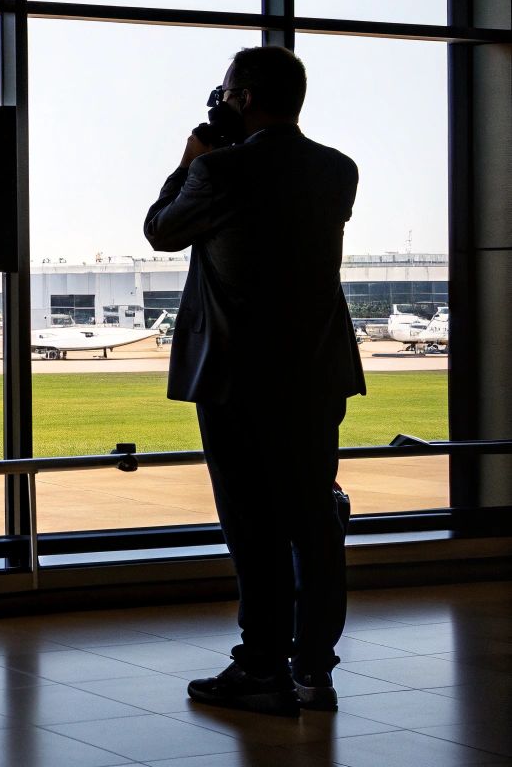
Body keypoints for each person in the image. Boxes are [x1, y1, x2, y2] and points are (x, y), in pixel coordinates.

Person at [144, 45, 363, 717]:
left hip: (239, 378)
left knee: (253, 529)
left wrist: (193, 156)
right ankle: (315, 671)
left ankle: (261, 667)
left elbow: (160, 230)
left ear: (238, 98)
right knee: (313, 522)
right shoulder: (338, 170)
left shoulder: (218, 170)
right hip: (317, 374)